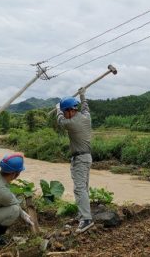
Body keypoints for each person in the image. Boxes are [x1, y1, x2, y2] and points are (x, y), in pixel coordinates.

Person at [56, 87, 94, 233]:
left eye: (65, 112)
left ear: (70, 111)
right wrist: (83, 95)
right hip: (86, 157)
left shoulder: (71, 123)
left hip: (80, 159)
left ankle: (86, 219)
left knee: (79, 188)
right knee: (83, 187)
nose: (65, 115)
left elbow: (60, 121)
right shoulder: (86, 117)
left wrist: (58, 109)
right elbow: (85, 107)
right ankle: (82, 213)